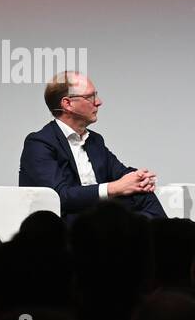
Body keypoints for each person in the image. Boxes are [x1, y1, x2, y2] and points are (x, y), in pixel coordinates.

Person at [19, 71, 167, 222]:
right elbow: (60, 196)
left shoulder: (95, 140)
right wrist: (113, 188)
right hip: (69, 221)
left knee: (141, 192)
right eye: (90, 97)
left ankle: (162, 233)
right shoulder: (40, 143)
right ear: (67, 104)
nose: (99, 102)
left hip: (101, 216)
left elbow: (120, 172)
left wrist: (139, 178)